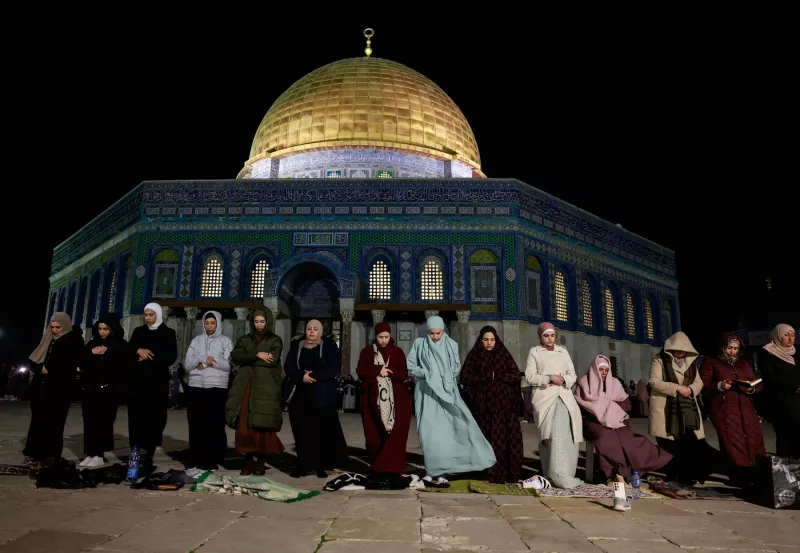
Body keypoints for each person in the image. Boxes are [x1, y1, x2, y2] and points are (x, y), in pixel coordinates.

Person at [407, 316, 495, 484]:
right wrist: (427, 374)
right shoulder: (419, 344)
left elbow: (455, 367)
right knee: (428, 433)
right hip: (427, 393)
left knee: (448, 432)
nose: (435, 337)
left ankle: (444, 470)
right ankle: (431, 469)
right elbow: (410, 365)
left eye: (438, 333)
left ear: (443, 331)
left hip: (448, 392)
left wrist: (443, 378)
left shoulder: (451, 344)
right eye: (431, 333)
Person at [575, 355, 672, 483]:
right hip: (593, 421)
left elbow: (627, 404)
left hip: (616, 420)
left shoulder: (615, 383)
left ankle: (626, 472)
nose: (604, 373)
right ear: (594, 369)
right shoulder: (584, 383)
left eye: (606, 370)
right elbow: (580, 405)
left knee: (629, 440)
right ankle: (611, 474)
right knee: (605, 438)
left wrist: (609, 406)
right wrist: (601, 409)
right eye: (601, 370)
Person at [650, 331, 717, 485]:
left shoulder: (691, 362)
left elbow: (699, 381)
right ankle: (676, 475)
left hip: (687, 409)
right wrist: (677, 388)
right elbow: (654, 382)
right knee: (670, 445)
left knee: (689, 444)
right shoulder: (659, 359)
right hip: (666, 409)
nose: (680, 352)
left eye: (683, 349)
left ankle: (688, 476)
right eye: (677, 349)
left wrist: (691, 390)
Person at [461, 326, 525, 483]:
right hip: (484, 409)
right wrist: (487, 377)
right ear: (480, 341)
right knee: (488, 439)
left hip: (505, 409)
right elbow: (465, 378)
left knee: (506, 440)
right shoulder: (474, 356)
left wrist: (499, 376)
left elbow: (516, 375)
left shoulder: (504, 355)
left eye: (492, 340)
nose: (489, 343)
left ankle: (508, 473)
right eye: (485, 340)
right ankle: (488, 473)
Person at [700, 334, 765, 486]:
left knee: (753, 439)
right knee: (731, 440)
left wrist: (750, 389)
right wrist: (719, 386)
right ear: (723, 347)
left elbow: (757, 383)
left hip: (746, 407)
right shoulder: (712, 362)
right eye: (730, 348)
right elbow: (703, 384)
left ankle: (754, 473)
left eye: (736, 348)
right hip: (724, 407)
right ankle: (737, 476)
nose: (732, 351)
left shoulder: (743, 364)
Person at [284, 319, 347, 478]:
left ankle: (320, 466)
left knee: (320, 432)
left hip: (322, 396)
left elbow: (333, 368)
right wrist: (301, 377)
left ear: (321, 331)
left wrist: (313, 376)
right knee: (301, 431)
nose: (311, 332)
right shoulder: (297, 346)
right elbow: (289, 366)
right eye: (309, 329)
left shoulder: (329, 346)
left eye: (315, 329)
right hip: (300, 395)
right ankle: (303, 465)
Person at [525, 322, 584, 488]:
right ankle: (552, 474)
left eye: (552, 335)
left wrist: (564, 380)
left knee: (567, 434)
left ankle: (564, 474)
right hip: (545, 398)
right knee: (550, 437)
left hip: (564, 396)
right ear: (540, 337)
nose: (550, 339)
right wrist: (549, 378)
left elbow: (572, 374)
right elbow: (529, 376)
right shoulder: (534, 352)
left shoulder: (562, 351)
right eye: (546, 336)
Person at [226, 308, 285, 476]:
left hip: (265, 389)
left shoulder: (275, 340)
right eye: (256, 321)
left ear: (268, 322)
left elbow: (271, 362)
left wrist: (249, 359)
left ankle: (260, 461)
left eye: (262, 321)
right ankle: (248, 461)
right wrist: (257, 354)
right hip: (246, 388)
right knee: (245, 427)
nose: (259, 325)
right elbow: (236, 356)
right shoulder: (245, 339)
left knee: (262, 427)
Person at [23, 313, 84, 467]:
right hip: (41, 389)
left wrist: (50, 370)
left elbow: (70, 365)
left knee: (54, 425)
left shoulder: (73, 340)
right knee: (38, 423)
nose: (55, 330)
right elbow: (34, 359)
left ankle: (51, 456)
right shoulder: (48, 338)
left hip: (59, 390)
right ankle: (37, 454)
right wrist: (40, 369)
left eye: (59, 327)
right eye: (53, 327)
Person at [356, 321, 412, 475]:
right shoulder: (367, 352)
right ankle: (377, 464)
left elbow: (404, 374)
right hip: (372, 400)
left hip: (397, 399)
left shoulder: (398, 352)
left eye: (386, 337)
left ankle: (393, 466)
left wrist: (390, 372)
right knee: (374, 434)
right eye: (380, 337)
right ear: (376, 336)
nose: (384, 340)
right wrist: (378, 370)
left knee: (395, 434)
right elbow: (361, 371)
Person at [128, 303, 177, 470]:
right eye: (146, 315)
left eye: (151, 315)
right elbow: (128, 350)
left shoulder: (168, 333)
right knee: (136, 419)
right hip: (138, 384)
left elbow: (171, 356)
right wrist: (138, 350)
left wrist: (149, 357)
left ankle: (148, 456)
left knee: (153, 419)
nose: (148, 318)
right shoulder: (138, 332)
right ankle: (135, 454)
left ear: (158, 315)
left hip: (156, 385)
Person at [184, 311, 232, 472]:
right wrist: (204, 358)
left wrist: (212, 362)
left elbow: (229, 365)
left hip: (216, 388)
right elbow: (187, 365)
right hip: (196, 387)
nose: (209, 326)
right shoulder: (196, 341)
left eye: (213, 323)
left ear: (218, 323)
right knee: (196, 424)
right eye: (207, 323)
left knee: (214, 425)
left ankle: (213, 458)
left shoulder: (226, 341)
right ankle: (195, 457)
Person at [80, 314, 130, 468]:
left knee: (103, 422)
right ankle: (90, 453)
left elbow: (125, 367)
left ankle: (99, 454)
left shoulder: (120, 345)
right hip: (91, 390)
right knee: (89, 421)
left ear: (112, 330)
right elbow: (81, 361)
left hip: (109, 391)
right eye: (100, 329)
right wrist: (92, 353)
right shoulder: (92, 344)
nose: (102, 332)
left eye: (106, 329)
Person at [759, 324, 798, 458]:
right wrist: (793, 385)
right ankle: (785, 475)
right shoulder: (768, 352)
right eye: (786, 335)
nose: (790, 339)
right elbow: (769, 377)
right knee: (785, 437)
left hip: (796, 400)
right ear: (778, 336)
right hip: (780, 401)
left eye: (792, 335)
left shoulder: (795, 352)